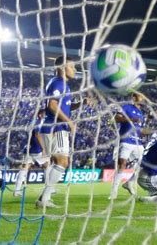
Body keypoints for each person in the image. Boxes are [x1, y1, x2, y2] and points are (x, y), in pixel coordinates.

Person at [36, 56, 90, 208]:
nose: (75, 70)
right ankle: (44, 199)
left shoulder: (64, 85)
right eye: (72, 67)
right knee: (62, 162)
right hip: (57, 126)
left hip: (55, 126)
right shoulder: (58, 83)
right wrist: (69, 121)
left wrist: (80, 103)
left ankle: (45, 197)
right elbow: (52, 105)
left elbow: (63, 106)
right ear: (62, 68)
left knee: (58, 162)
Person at [110, 92, 152, 199]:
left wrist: (153, 131)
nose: (142, 98)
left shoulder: (141, 113)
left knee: (144, 164)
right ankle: (114, 192)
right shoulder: (126, 107)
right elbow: (116, 118)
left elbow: (140, 130)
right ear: (133, 97)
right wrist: (130, 119)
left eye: (143, 96)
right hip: (126, 140)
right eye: (140, 96)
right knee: (122, 164)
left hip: (138, 142)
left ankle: (129, 182)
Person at [13, 109, 49, 197]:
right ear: (40, 115)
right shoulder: (37, 122)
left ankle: (16, 190)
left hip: (29, 148)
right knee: (47, 165)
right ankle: (49, 188)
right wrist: (43, 148)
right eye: (44, 115)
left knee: (25, 168)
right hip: (36, 148)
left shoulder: (32, 122)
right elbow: (37, 135)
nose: (45, 116)